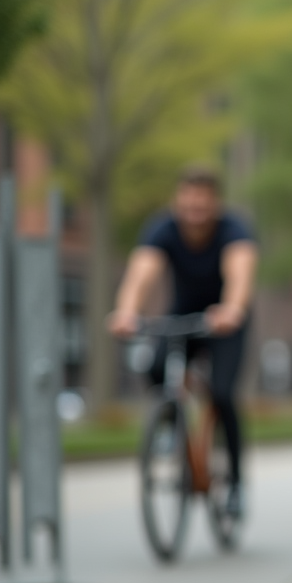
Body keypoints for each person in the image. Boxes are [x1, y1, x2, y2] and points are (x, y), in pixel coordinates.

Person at [109, 166, 258, 518]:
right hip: (182, 314)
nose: (195, 213)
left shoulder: (234, 229)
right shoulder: (163, 228)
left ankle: (235, 483)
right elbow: (141, 274)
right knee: (156, 368)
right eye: (189, 205)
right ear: (178, 202)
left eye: (203, 205)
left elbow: (240, 272)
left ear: (216, 204)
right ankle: (172, 427)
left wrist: (233, 308)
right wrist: (126, 311)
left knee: (222, 394)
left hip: (225, 320)